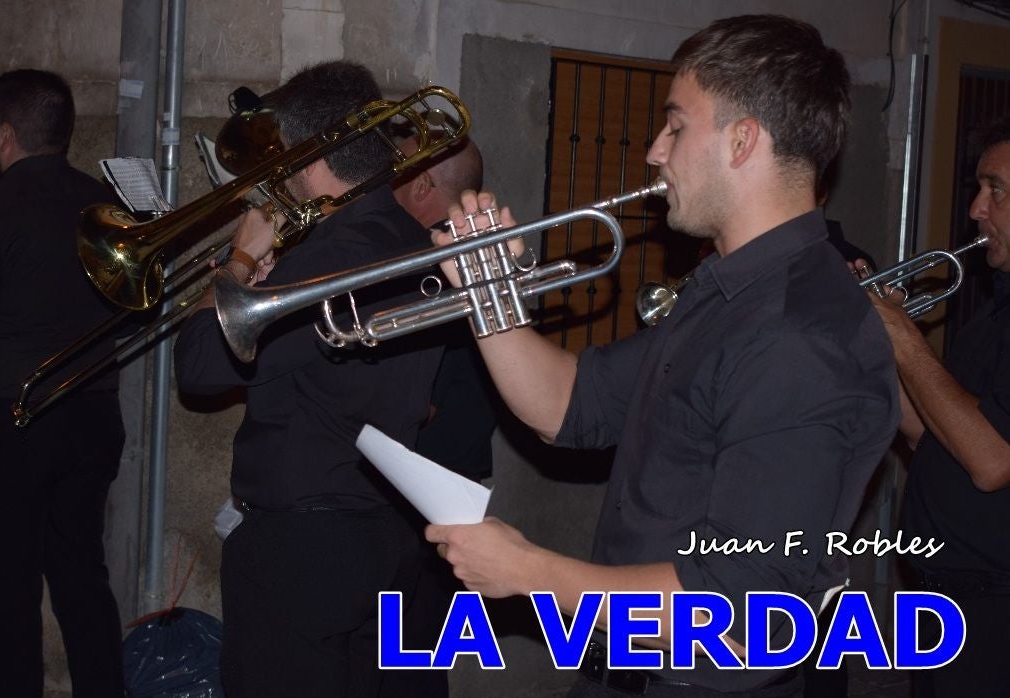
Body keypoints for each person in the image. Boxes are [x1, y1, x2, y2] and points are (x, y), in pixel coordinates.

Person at [426, 15, 899, 696]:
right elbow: (568, 404)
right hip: (629, 667)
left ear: (742, 141)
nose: (654, 150)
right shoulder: (727, 291)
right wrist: (486, 293)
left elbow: (744, 613)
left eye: (676, 126)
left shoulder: (801, 336)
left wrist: (532, 572)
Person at [173, 61, 444, 697]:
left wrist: (239, 262)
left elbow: (201, 367)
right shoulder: (410, 240)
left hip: (303, 551)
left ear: (304, 155)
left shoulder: (329, 258)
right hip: (385, 535)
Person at [0, 69, 125, 697]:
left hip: (11, 417)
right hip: (93, 414)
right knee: (80, 575)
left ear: (5, 133)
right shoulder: (105, 208)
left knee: (5, 583)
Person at [860, 118, 1010, 697]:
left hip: (995, 618)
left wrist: (902, 334)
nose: (976, 209)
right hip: (949, 609)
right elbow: (930, 437)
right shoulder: (993, 315)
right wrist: (883, 345)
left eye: (995, 189)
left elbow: (993, 460)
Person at [388, 135, 497, 697]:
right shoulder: (482, 255)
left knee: (403, 660)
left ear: (423, 184)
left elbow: (415, 399)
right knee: (419, 657)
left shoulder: (430, 263)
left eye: (395, 168)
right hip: (451, 482)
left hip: (421, 487)